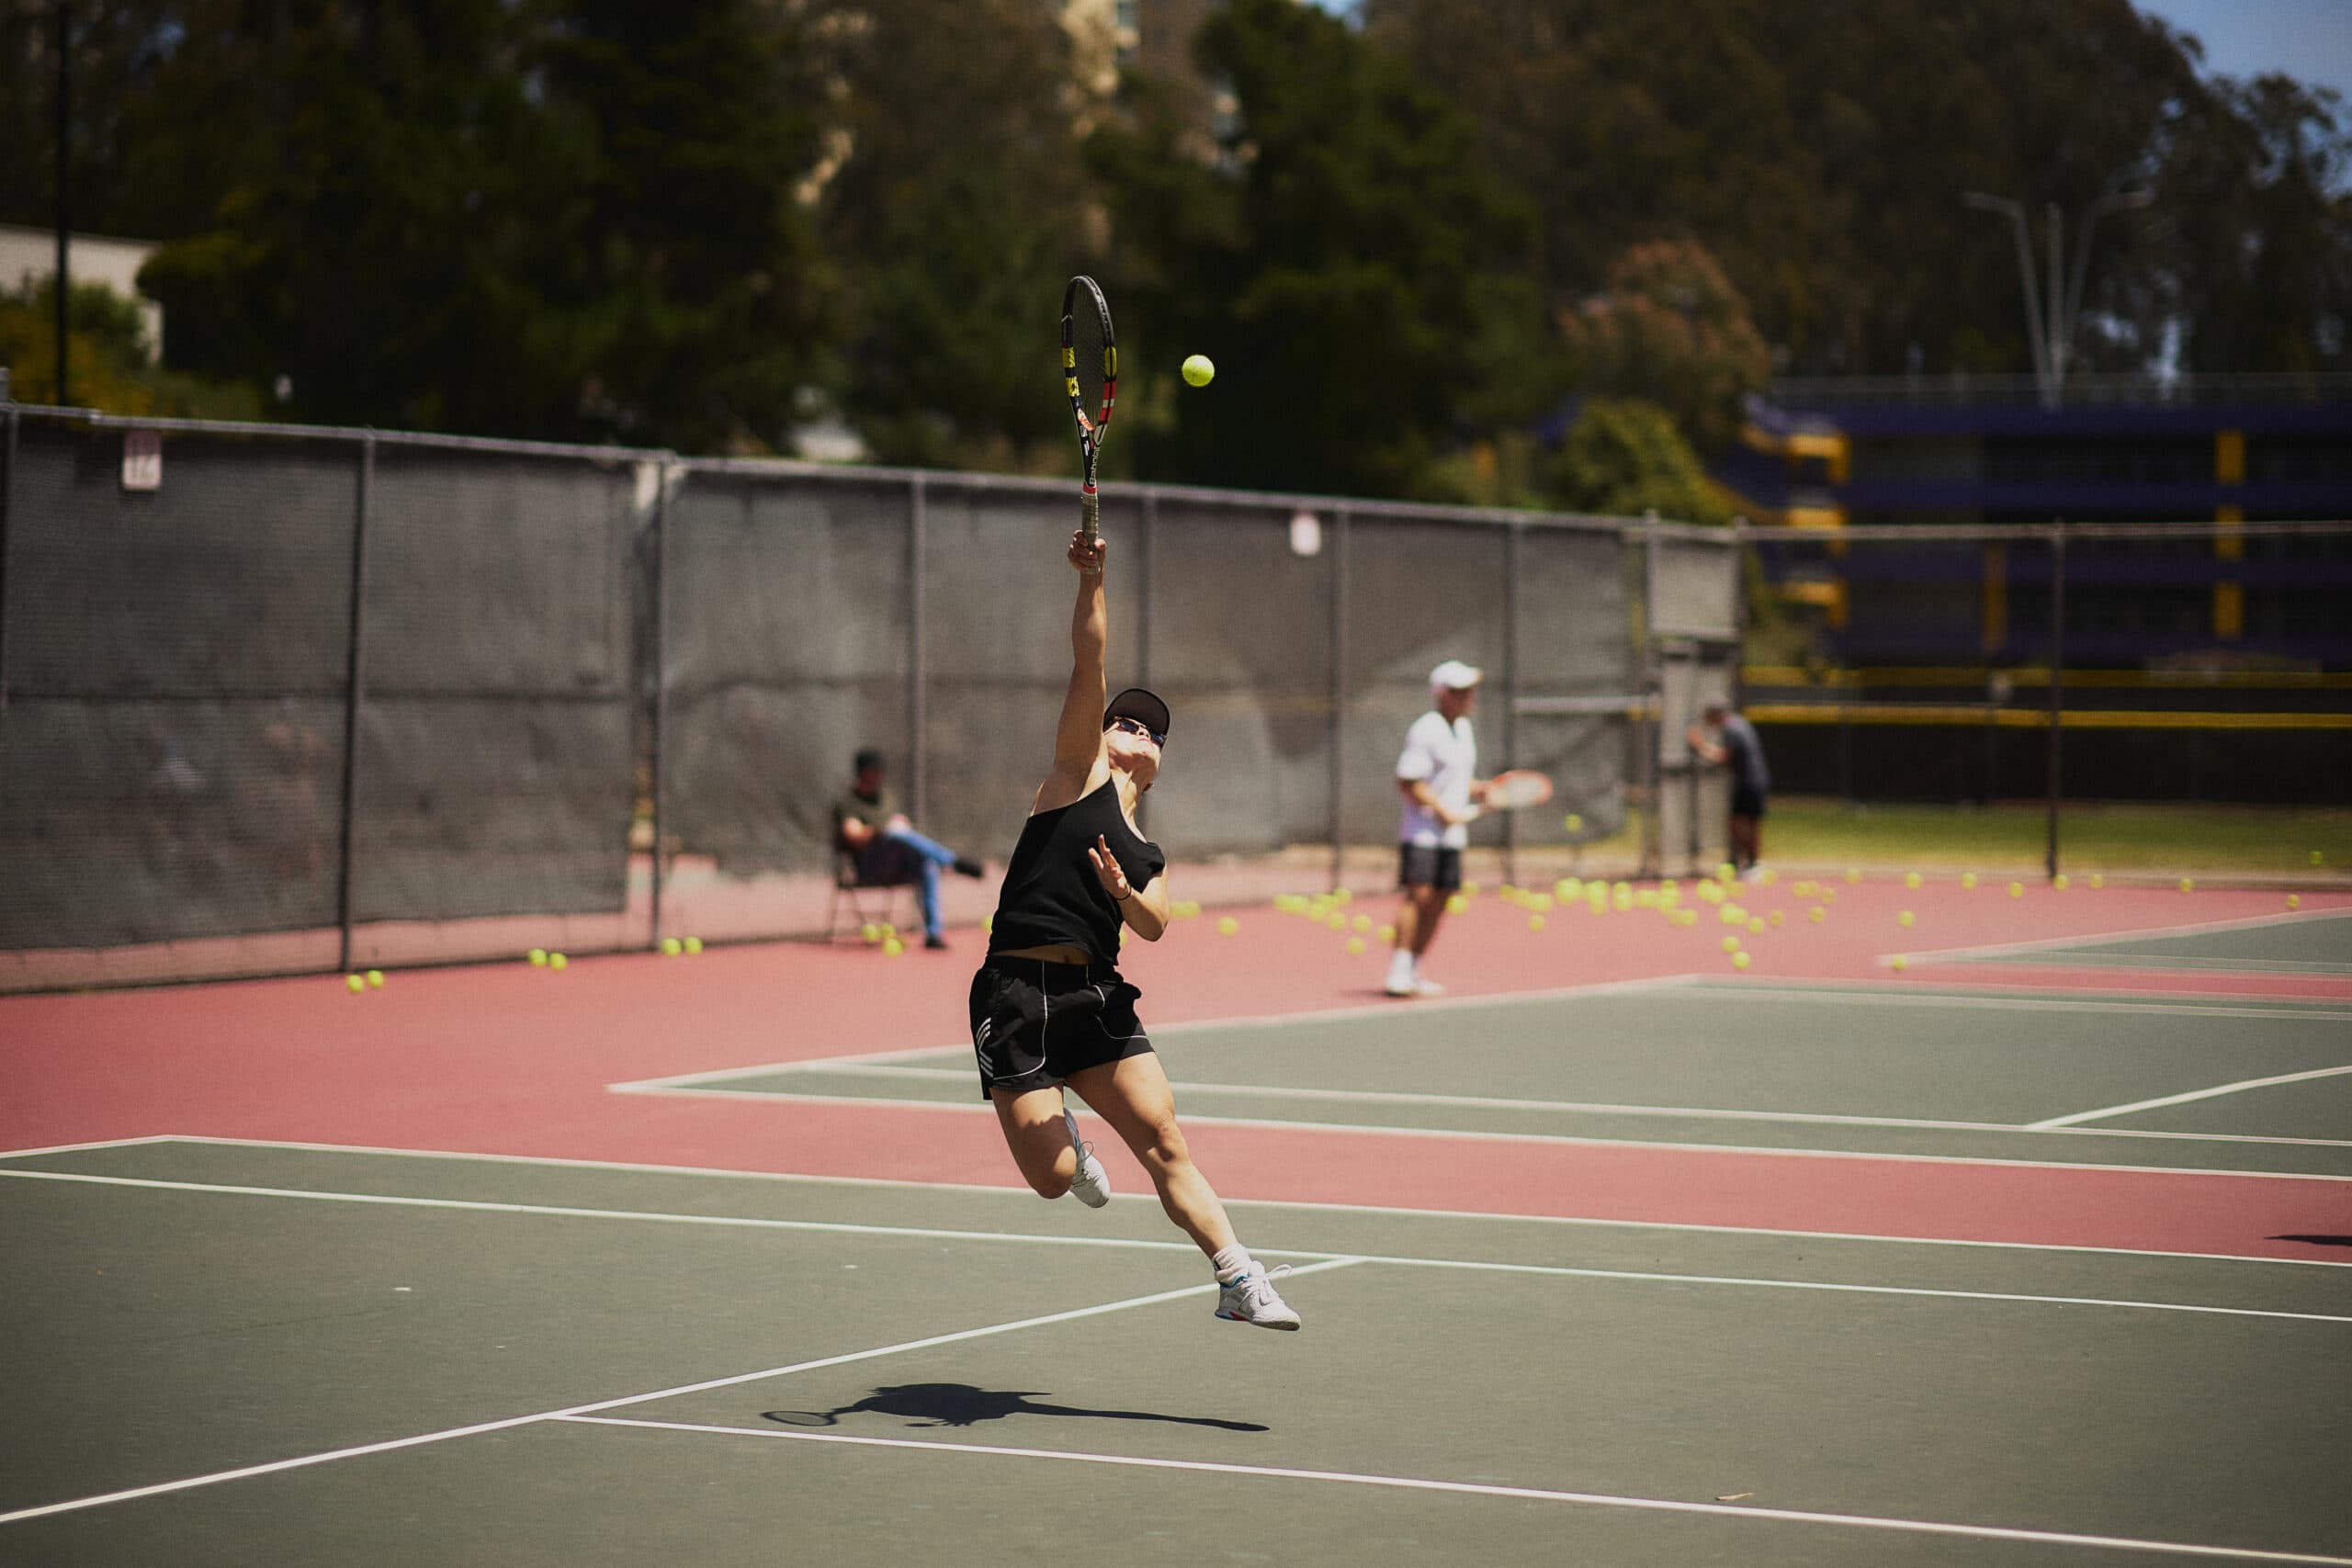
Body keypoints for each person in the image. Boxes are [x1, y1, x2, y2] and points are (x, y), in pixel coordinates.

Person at [966, 527, 1300, 1331]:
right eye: (1125, 721)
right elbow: (1090, 660)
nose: (1137, 731)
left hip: (1094, 996)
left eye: (1152, 731)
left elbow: (1156, 922)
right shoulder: (1074, 775)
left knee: (1164, 1138)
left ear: (1159, 762)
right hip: (1016, 993)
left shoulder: (1145, 848)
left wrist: (1122, 890)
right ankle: (1073, 1148)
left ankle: (1237, 1274)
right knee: (1052, 1178)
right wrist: (1093, 580)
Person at [1386, 660, 1491, 998]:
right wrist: (1440, 810)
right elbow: (1408, 782)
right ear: (1444, 695)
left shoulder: (1464, 730)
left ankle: (1414, 970)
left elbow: (1454, 778)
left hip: (1453, 835)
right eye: (1462, 691)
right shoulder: (1426, 729)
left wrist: (1478, 789)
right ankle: (1398, 970)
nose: (1470, 696)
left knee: (1442, 899)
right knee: (1419, 896)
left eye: (1470, 690)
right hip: (1422, 832)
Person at [834, 749, 986, 951]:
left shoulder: (885, 799)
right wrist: (880, 831)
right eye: (874, 771)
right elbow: (852, 834)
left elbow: (903, 826)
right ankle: (952, 861)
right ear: (862, 773)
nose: (879, 776)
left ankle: (933, 934)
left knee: (927, 864)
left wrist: (898, 828)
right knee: (895, 833)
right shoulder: (848, 802)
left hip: (897, 864)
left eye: (880, 771)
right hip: (869, 866)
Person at [1686, 699, 1770, 879]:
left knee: (1748, 824)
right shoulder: (1738, 723)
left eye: (1707, 716)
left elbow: (1724, 758)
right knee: (1740, 823)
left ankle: (1754, 864)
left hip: (1751, 782)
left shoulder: (1732, 728)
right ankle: (1749, 862)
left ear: (1715, 714)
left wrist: (1699, 745)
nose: (1706, 720)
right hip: (1749, 781)